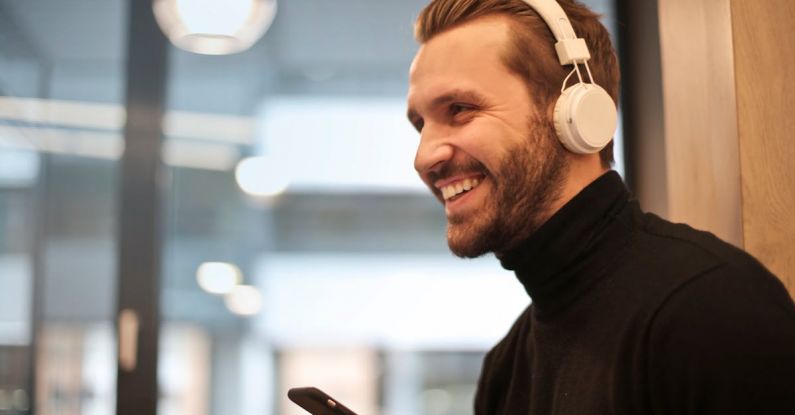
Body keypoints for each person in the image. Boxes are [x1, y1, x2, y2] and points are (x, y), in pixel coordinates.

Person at [405, 0, 795, 414]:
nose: (424, 157)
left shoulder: (708, 307)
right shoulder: (506, 369)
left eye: (460, 110)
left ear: (573, 111)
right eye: (420, 124)